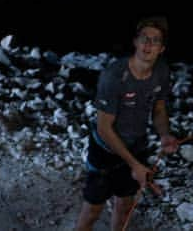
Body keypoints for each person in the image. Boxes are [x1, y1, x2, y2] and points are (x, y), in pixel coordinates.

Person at [75, 16, 180, 230]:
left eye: (155, 40)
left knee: (124, 206)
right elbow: (104, 128)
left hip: (136, 146)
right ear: (135, 42)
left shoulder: (161, 72)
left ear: (161, 48)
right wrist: (135, 165)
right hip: (105, 151)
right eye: (144, 38)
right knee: (92, 211)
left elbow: (158, 110)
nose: (148, 44)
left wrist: (165, 134)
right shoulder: (114, 76)